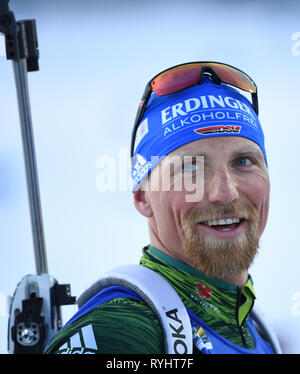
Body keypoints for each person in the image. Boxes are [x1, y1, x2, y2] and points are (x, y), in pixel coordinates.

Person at [44, 61, 280, 354]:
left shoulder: (257, 332)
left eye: (243, 162)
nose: (225, 193)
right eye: (191, 166)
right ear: (143, 196)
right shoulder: (122, 332)